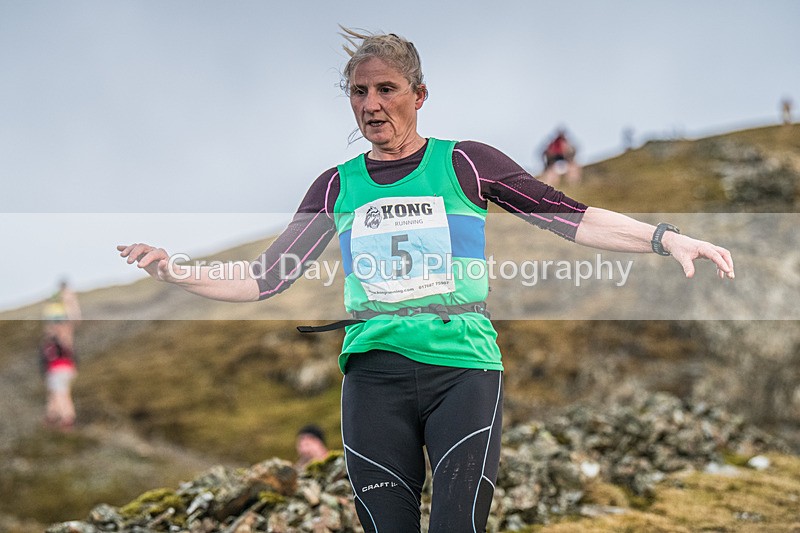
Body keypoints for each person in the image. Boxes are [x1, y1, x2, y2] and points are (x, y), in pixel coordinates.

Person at [117, 28, 735, 532]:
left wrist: (666, 237)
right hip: (373, 378)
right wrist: (176, 273)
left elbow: (571, 219)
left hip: (463, 369)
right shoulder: (336, 185)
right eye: (359, 92)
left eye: (386, 89)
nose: (371, 104)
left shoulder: (464, 162)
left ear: (419, 93)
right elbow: (266, 279)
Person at [40, 280, 81, 429]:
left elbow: (70, 323)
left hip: (59, 368)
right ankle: (52, 416)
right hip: (59, 368)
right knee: (55, 393)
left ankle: (67, 418)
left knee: (61, 394)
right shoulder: (60, 338)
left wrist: (69, 303)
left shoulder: (61, 336)